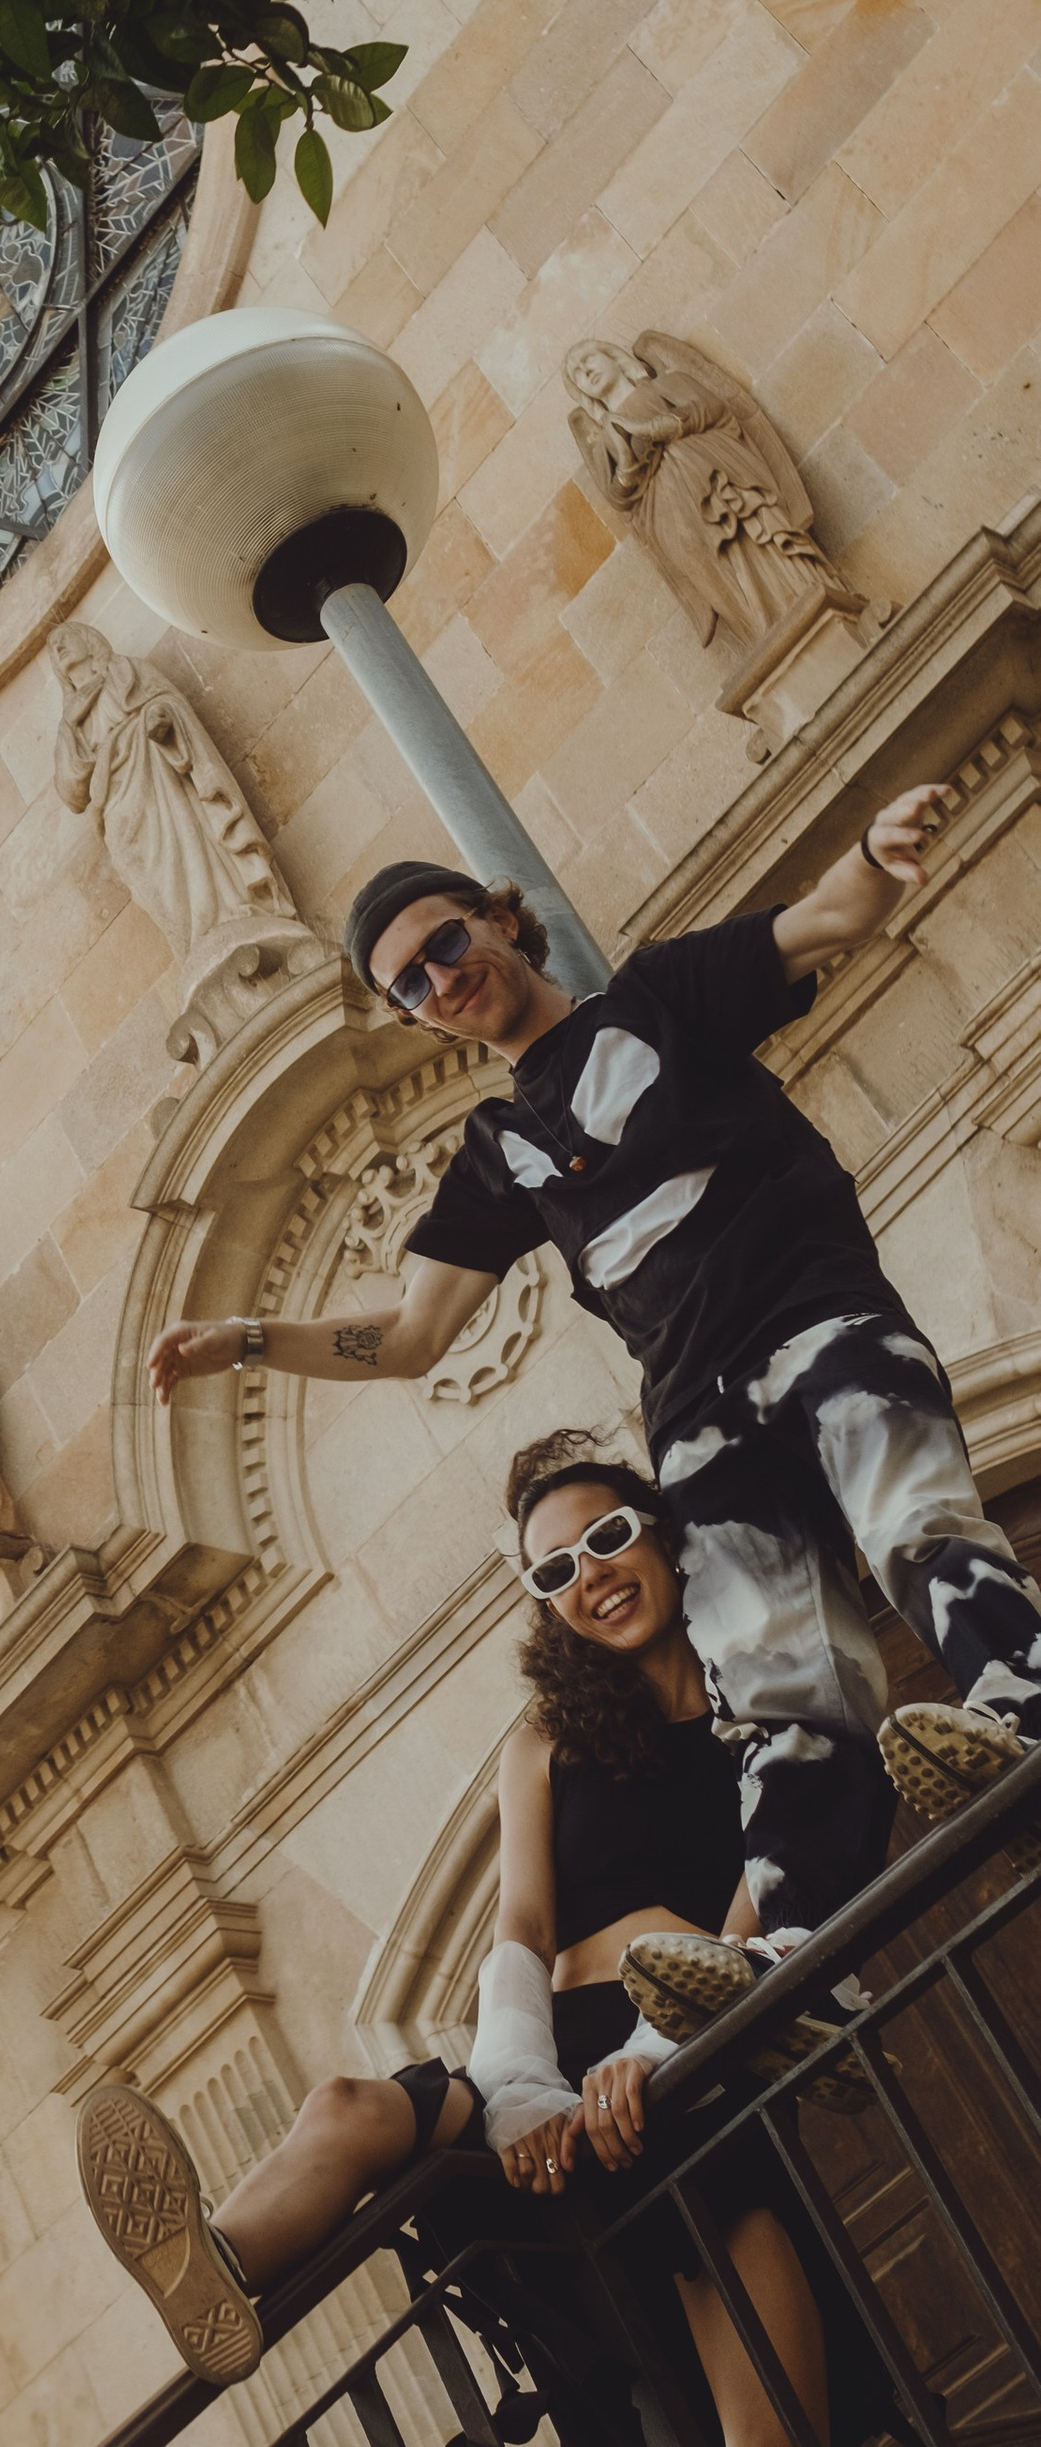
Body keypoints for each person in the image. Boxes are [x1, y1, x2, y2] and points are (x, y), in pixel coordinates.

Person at [77, 1437, 896, 2447]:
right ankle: (221, 2267)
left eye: (609, 1539)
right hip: (541, 2077)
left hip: (689, 2076)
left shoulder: (764, 1699)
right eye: (555, 1570)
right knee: (349, 2110)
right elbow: (517, 1929)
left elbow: (770, 1892)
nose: (590, 1578)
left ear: (663, 1532)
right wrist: (521, 2083)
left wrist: (656, 2048)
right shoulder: (546, 1745)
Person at [149, 790, 1041, 2001]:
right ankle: (796, 1955)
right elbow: (410, 1334)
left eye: (447, 945)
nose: (439, 982)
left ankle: (1018, 1701)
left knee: (910, 1522)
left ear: (501, 921)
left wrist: (877, 861)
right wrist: (249, 1340)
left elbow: (822, 918)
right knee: (773, 1674)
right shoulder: (497, 1156)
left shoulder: (662, 1002)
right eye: (409, 984)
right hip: (694, 1417)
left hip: (817, 1325)